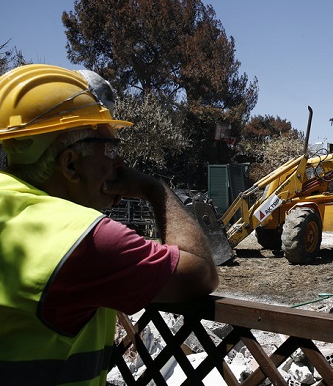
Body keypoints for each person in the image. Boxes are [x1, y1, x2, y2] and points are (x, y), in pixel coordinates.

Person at [0, 64, 219, 385]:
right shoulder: (80, 238)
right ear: (70, 163)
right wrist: (155, 190)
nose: (119, 163)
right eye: (108, 147)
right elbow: (199, 272)